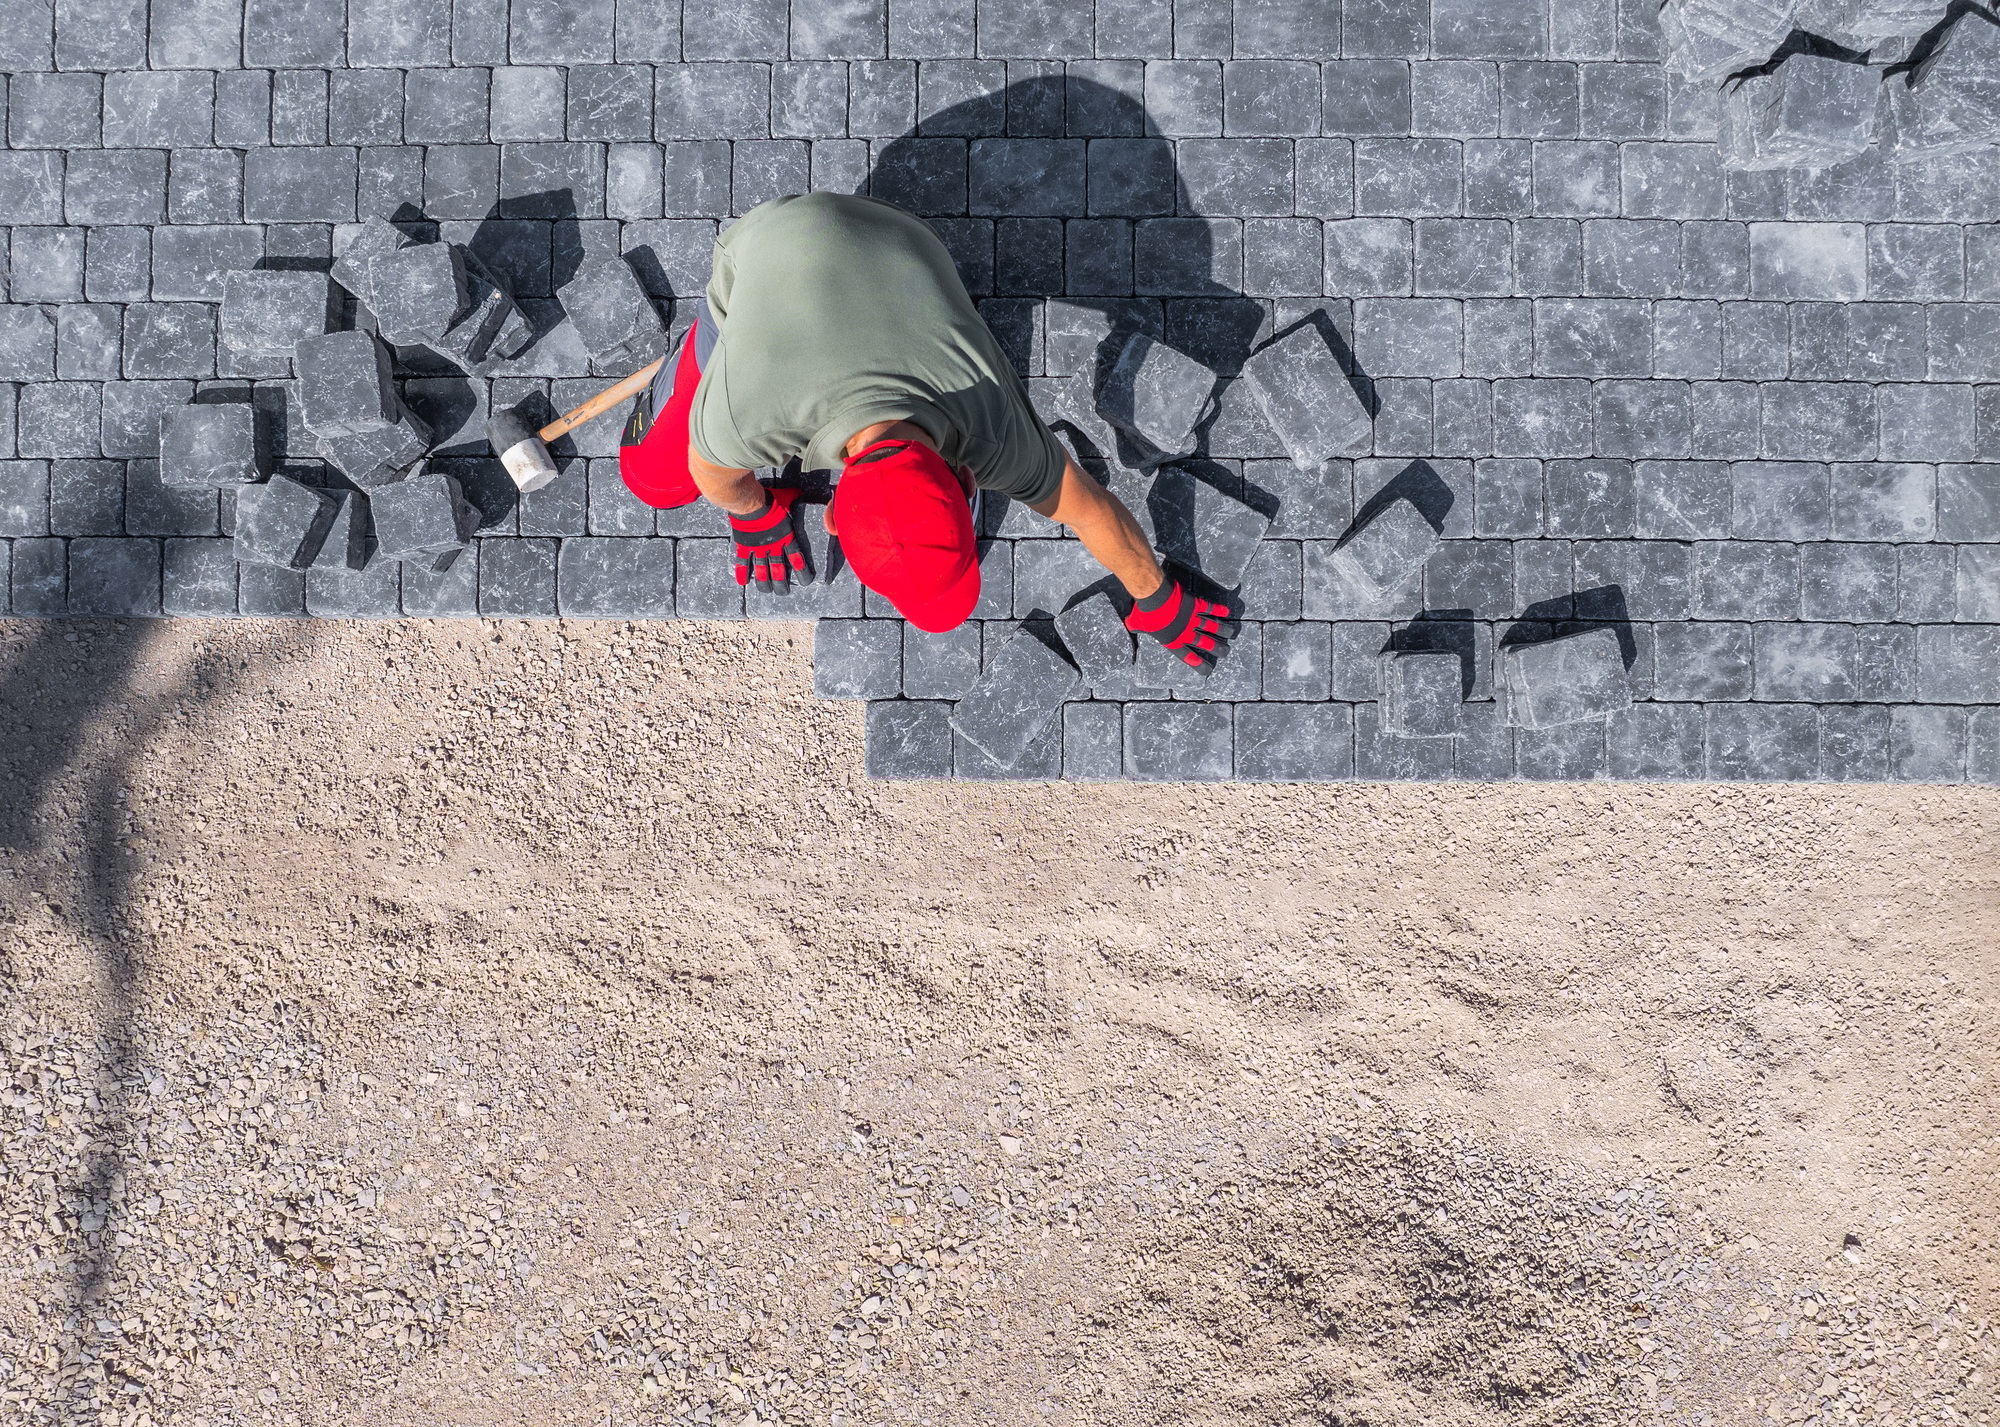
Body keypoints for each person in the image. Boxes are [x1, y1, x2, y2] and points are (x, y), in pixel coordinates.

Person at [618, 191, 1236, 673]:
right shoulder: (743, 412)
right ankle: (693, 348)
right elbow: (709, 473)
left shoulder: (992, 422)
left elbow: (1091, 509)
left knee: (661, 480)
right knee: (651, 478)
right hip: (785, 242)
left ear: (832, 518)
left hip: (867, 236)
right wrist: (752, 515)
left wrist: (1158, 597)